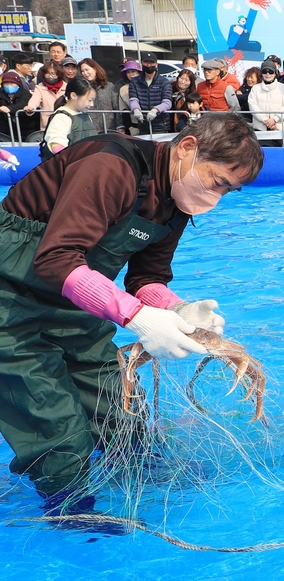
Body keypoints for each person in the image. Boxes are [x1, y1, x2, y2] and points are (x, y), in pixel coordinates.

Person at [0, 114, 262, 514]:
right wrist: (138, 318)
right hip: (8, 308)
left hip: (77, 309)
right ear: (188, 148)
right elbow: (55, 258)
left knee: (123, 414)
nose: (217, 197)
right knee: (58, 429)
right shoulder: (110, 165)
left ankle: (145, 482)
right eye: (218, 182)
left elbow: (147, 277)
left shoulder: (176, 199)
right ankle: (72, 513)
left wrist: (177, 309)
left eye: (229, 191)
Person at [40, 77, 97, 158]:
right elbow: (56, 144)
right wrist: (71, 157)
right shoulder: (62, 117)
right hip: (67, 166)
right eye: (89, 100)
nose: (92, 104)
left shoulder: (84, 115)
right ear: (74, 96)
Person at [128, 54, 173, 136]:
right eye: (146, 62)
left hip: (161, 125)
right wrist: (136, 109)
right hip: (143, 124)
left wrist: (155, 110)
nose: (148, 65)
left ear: (156, 64)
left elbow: (167, 102)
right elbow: (133, 99)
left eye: (151, 62)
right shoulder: (135, 82)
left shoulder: (164, 82)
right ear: (141, 63)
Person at [248, 59, 284, 138]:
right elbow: (252, 106)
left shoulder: (283, 88)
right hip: (259, 129)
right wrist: (265, 120)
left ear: (275, 73)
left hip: (279, 130)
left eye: (271, 71)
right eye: (265, 71)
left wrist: (274, 119)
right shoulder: (255, 88)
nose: (268, 74)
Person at [80, 58, 120, 134]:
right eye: (82, 71)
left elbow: (116, 107)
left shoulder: (109, 86)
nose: (85, 73)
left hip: (110, 128)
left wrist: (120, 125)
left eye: (87, 70)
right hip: (91, 129)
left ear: (95, 68)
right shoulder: (83, 89)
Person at [25, 61, 66, 129]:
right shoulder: (40, 87)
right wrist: (30, 107)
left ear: (58, 74)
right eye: (47, 73)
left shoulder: (67, 87)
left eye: (53, 73)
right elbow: (35, 100)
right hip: (47, 125)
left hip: (65, 122)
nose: (50, 76)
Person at [0, 70, 34, 142]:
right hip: (5, 129)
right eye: (6, 83)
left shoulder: (25, 93)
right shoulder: (1, 93)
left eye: (12, 83)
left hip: (25, 128)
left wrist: (9, 108)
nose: (9, 85)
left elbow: (23, 104)